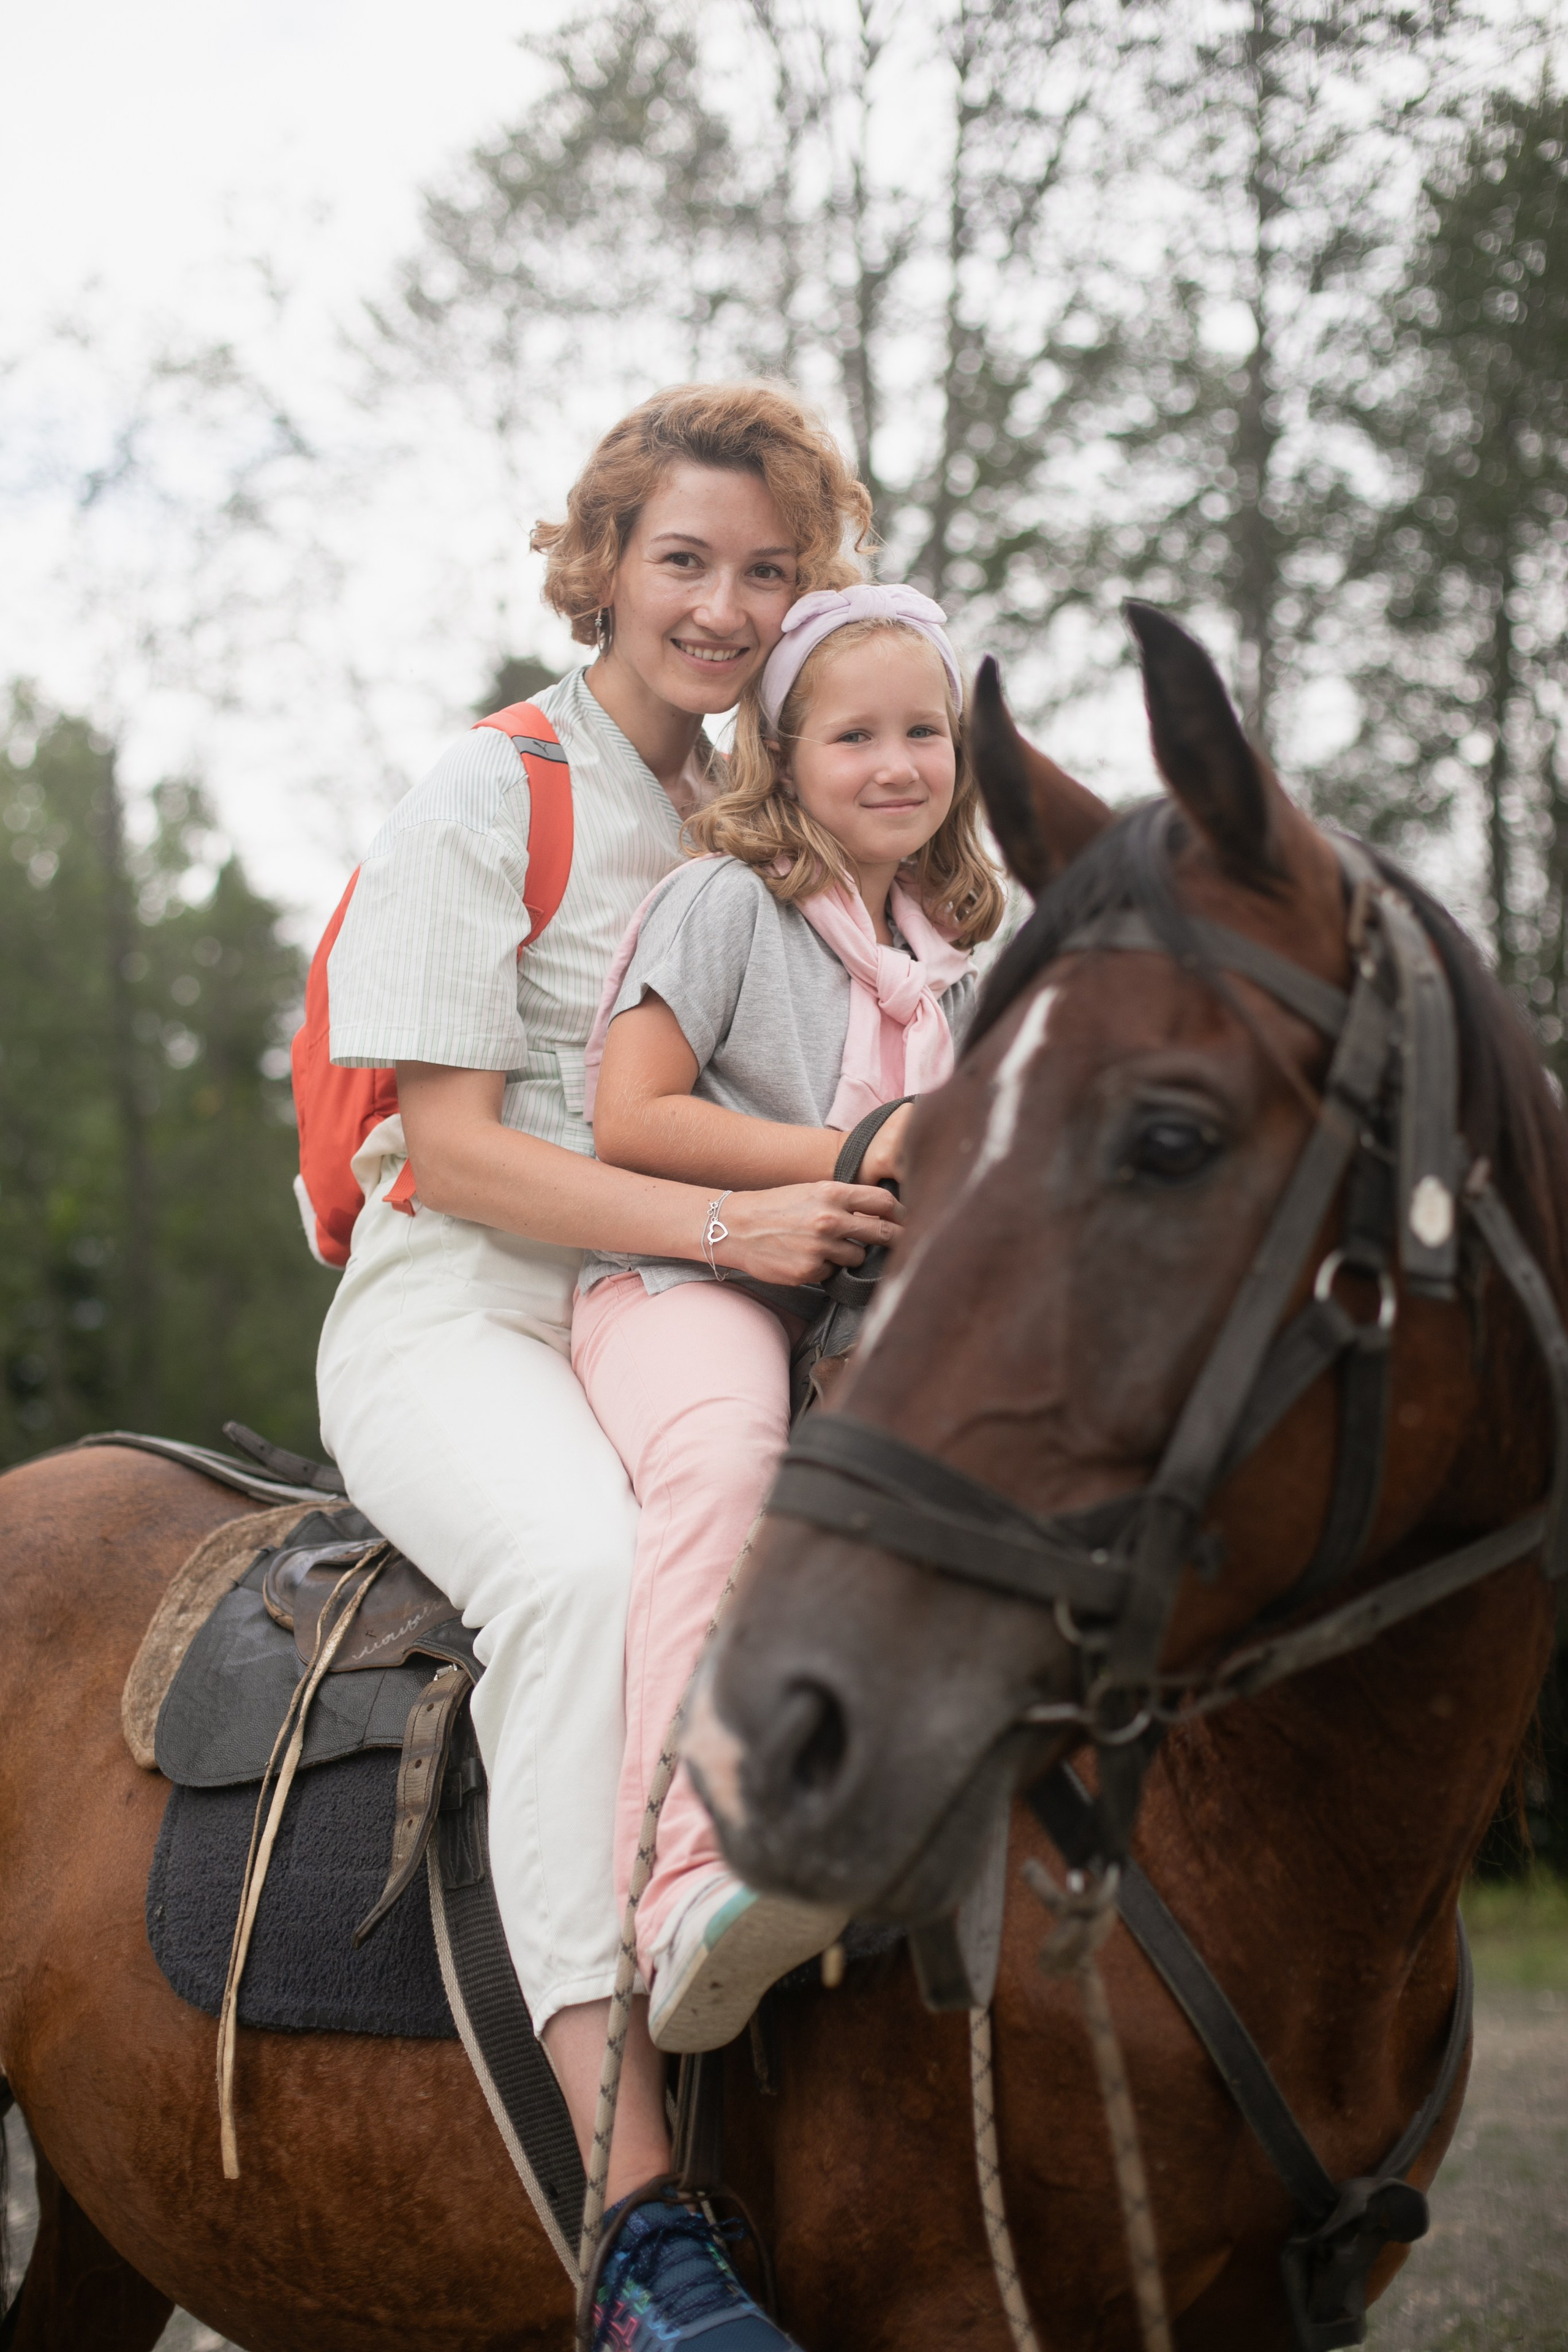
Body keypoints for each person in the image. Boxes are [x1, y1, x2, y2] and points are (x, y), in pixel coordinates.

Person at [315, 385, 899, 2346]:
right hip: (465, 1305)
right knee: (572, 1576)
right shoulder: (492, 794)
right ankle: (636, 2216)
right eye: (682, 560)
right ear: (602, 566)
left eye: (765, 571)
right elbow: (463, 1150)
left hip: (676, 1311)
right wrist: (736, 1229)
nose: (722, 607)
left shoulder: (776, 813)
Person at [573, 586, 1005, 2078]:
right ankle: (679, 1883)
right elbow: (627, 1117)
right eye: (854, 735)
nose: (895, 764)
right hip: (684, 1283)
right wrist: (854, 1146)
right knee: (730, 1464)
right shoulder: (725, 902)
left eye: (923, 733)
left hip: (856, 1315)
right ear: (782, 749)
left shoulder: (951, 954)